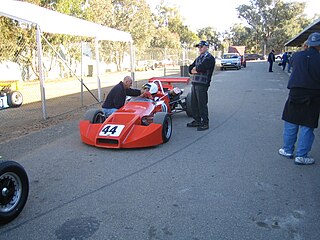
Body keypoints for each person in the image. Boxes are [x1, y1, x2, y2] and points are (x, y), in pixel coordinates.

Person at [278, 32, 320, 165]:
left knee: (291, 121)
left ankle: (287, 150)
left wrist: (304, 50)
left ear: (307, 44)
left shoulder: (296, 55)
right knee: (307, 125)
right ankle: (301, 155)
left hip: (295, 93)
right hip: (313, 95)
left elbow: (293, 66)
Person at [187, 40, 215, 131]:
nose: (200, 48)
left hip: (203, 84)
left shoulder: (209, 58)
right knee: (194, 103)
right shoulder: (199, 58)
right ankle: (197, 120)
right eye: (199, 47)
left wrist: (196, 69)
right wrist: (194, 69)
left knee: (202, 103)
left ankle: (205, 122)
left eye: (201, 46)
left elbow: (201, 67)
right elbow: (190, 68)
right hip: (195, 83)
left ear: (206, 47)